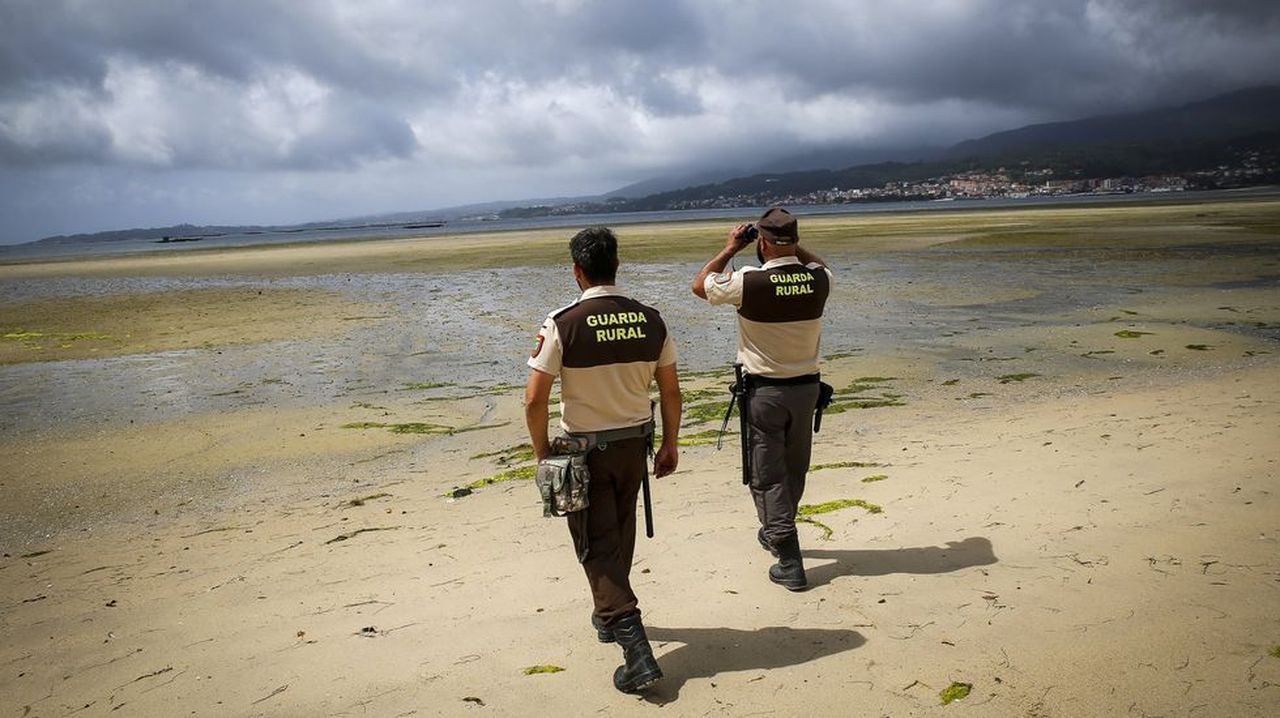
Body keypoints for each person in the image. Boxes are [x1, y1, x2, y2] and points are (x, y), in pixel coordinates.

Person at [524, 226, 682, 693]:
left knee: (594, 542)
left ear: (577, 271)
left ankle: (636, 649)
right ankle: (608, 614)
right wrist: (671, 444)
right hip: (635, 445)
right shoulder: (651, 320)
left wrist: (541, 455)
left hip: (585, 452)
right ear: (616, 266)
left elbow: (534, 400)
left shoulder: (563, 322)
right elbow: (671, 392)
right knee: (620, 532)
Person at [691, 207, 832, 591]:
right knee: (794, 467)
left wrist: (730, 247)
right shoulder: (819, 280)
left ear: (763, 243)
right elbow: (819, 265)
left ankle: (789, 558)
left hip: (766, 393)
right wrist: (794, 249)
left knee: (767, 475)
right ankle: (776, 530)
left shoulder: (748, 282)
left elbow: (700, 285)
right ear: (795, 241)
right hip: (807, 391)